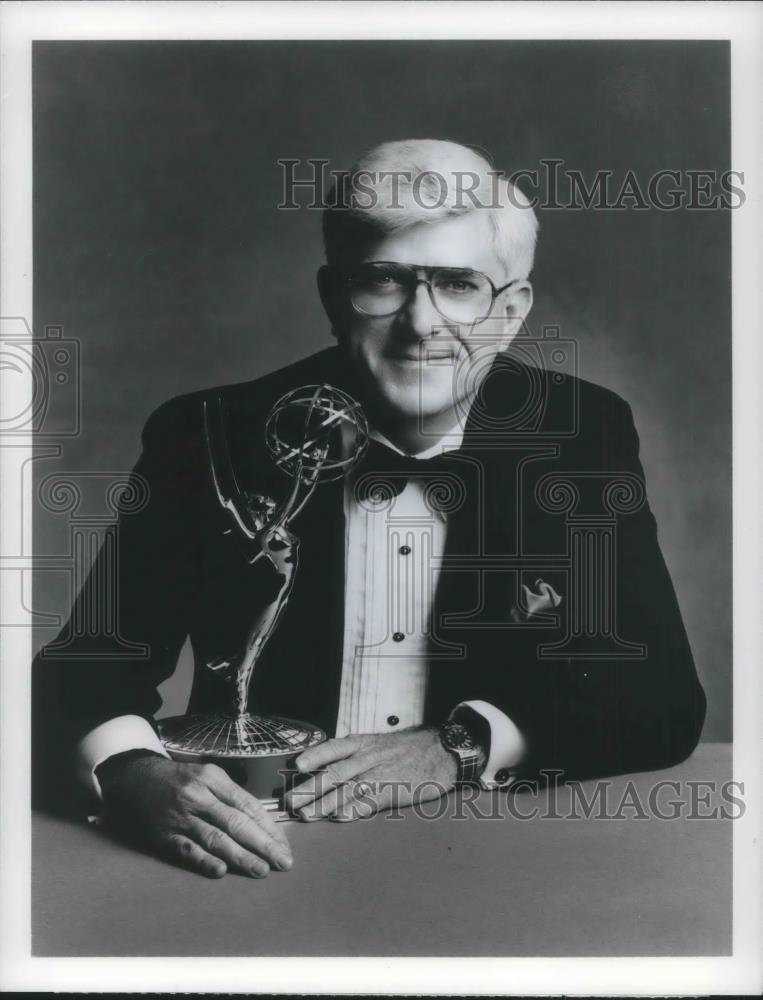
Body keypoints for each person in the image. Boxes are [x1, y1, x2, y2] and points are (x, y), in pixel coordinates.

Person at [33, 139, 706, 879]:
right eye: (383, 281)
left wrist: (457, 746)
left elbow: (659, 698)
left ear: (510, 310)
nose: (420, 324)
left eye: (457, 284)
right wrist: (130, 771)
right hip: (258, 857)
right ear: (331, 298)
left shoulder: (581, 434)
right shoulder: (207, 433)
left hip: (493, 856)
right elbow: (83, 671)